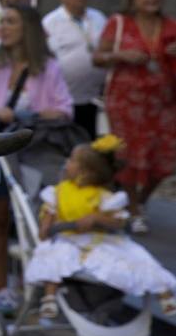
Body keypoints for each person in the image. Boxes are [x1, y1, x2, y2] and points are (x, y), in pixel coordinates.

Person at [0, 3, 73, 314]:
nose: (4, 27)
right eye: (3, 21)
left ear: (28, 29)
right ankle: (1, 288)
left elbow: (64, 109)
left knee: (38, 216)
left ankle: (31, 282)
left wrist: (26, 114)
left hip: (35, 150)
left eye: (11, 22)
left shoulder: (48, 67)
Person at [26, 137, 176, 319]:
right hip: (68, 238)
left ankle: (164, 292)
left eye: (72, 160)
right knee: (54, 256)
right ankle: (49, 297)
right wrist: (48, 228)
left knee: (136, 256)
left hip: (99, 240)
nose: (67, 163)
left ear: (85, 172)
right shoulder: (58, 192)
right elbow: (46, 225)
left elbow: (119, 221)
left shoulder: (103, 196)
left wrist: (98, 217)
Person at [92, 0, 176, 233]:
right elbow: (98, 58)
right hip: (125, 103)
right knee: (128, 156)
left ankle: (137, 202)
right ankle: (134, 209)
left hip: (163, 103)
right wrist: (121, 55)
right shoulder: (118, 23)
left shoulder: (170, 25)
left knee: (165, 160)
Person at [41, 0, 108, 137]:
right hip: (67, 99)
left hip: (95, 96)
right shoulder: (50, 22)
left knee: (93, 139)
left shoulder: (98, 17)